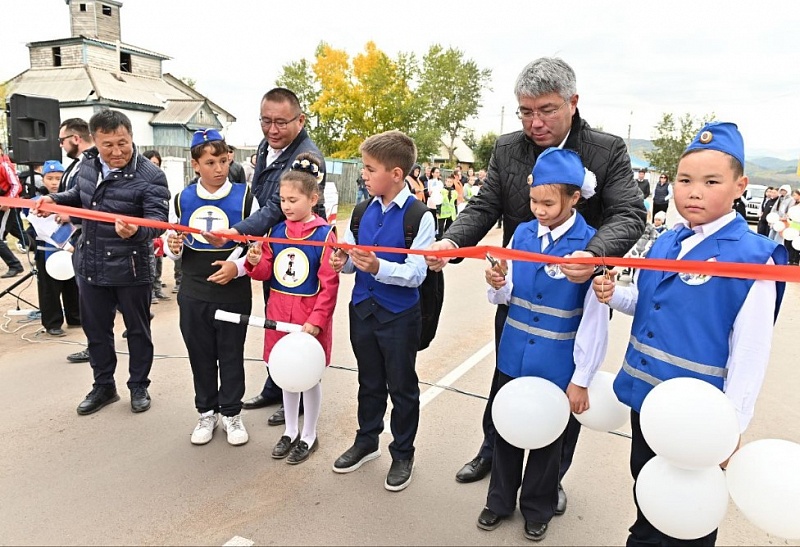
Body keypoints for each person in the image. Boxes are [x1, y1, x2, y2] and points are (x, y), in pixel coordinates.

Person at [424, 57, 646, 510]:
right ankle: (494, 452)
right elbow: (483, 207)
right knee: (506, 378)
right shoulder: (508, 149)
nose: (534, 122)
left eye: (545, 110)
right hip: (519, 292)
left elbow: (630, 214)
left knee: (565, 389)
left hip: (574, 295)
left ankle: (550, 478)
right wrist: (451, 242)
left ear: (573, 103)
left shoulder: (606, 151)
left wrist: (592, 254)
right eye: (525, 112)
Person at [594, 121, 786, 547]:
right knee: (647, 492)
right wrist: (614, 296)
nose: (693, 191)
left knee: (687, 517)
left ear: (741, 186)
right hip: (646, 401)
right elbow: (647, 304)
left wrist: (730, 428)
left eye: (711, 181)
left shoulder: (754, 257)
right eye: (684, 180)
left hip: (698, 417)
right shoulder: (666, 241)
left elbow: (751, 351)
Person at [477, 148, 608, 542]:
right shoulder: (522, 234)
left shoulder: (589, 247)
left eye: (549, 203)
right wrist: (498, 285)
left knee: (550, 438)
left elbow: (594, 319)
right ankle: (498, 500)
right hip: (513, 353)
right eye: (534, 201)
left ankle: (538, 506)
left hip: (558, 361)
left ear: (574, 199)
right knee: (506, 428)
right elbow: (508, 292)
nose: (539, 210)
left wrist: (582, 377)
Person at [33, 109, 170, 416]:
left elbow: (158, 221)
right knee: (96, 330)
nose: (117, 151)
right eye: (108, 144)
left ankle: (138, 385)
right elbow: (79, 196)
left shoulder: (150, 175)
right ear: (94, 140)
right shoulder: (87, 164)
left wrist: (137, 229)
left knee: (137, 330)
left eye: (123, 143)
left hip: (131, 267)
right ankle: (103, 385)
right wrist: (54, 200)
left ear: (132, 137)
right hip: (90, 263)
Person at [206, 88, 326, 427]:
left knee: (298, 324)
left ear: (300, 120)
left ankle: (300, 392)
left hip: (298, 252)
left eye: (281, 122)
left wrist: (236, 232)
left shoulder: (308, 159)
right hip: (272, 247)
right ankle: (277, 384)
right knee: (276, 317)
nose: (272, 130)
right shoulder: (267, 146)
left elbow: (277, 207)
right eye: (266, 121)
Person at [329, 130, 435, 492]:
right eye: (363, 167)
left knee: (402, 387)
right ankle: (366, 440)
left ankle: (403, 452)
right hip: (362, 310)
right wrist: (341, 261)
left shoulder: (419, 217)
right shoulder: (360, 211)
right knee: (368, 380)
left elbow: (416, 274)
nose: (363, 174)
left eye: (370, 168)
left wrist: (378, 267)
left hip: (399, 316)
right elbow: (348, 264)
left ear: (395, 173)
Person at [165, 129, 258, 446]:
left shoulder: (246, 197)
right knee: (200, 355)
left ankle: (232, 413)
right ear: (195, 165)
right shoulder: (181, 199)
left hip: (232, 290)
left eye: (222, 160)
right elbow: (172, 249)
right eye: (209, 162)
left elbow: (257, 247)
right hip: (194, 289)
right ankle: (206, 411)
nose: (218, 168)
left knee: (231, 354)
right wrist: (174, 246)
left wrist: (238, 267)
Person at [245, 153, 339, 464]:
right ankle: (290, 429)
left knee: (308, 375)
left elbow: (329, 284)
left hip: (306, 319)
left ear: (313, 198)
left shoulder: (325, 235)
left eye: (293, 199)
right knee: (285, 373)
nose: (286, 206)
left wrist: (316, 320)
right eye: (283, 199)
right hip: (279, 314)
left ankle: (309, 434)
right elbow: (265, 273)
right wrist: (255, 262)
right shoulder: (276, 231)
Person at [26, 160, 81, 336]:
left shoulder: (71, 201)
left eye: (58, 178)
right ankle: (52, 322)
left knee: (73, 285)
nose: (54, 182)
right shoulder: (36, 202)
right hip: (47, 252)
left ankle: (75, 316)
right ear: (43, 180)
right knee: (49, 289)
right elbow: (40, 229)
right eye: (50, 178)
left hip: (71, 250)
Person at [57, 118, 95, 364]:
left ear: (75, 138)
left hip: (89, 236)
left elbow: (91, 203)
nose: (61, 145)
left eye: (62, 140)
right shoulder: (77, 164)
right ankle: (95, 344)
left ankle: (97, 347)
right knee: (87, 296)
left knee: (90, 298)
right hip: (77, 236)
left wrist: (67, 214)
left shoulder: (90, 164)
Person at [143, 150, 171, 303]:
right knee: (149, 262)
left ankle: (157, 288)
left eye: (157, 165)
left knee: (158, 261)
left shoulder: (159, 181)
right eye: (152, 164)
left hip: (157, 231)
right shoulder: (138, 182)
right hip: (143, 232)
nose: (155, 167)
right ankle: (150, 292)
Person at [0, 142, 25, 278]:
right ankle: (32, 245)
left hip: (6, 207)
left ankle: (15, 265)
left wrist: (8, 202)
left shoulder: (4, 165)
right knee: (20, 233)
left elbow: (16, 186)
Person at [437, 173, 459, 239]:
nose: (449, 183)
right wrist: (438, 211)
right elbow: (438, 201)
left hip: (451, 213)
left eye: (450, 182)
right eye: (448, 181)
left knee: (448, 227)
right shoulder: (442, 191)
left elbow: (455, 203)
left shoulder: (455, 192)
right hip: (442, 212)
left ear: (452, 183)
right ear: (445, 182)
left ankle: (446, 237)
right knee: (440, 227)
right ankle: (439, 238)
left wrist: (456, 211)